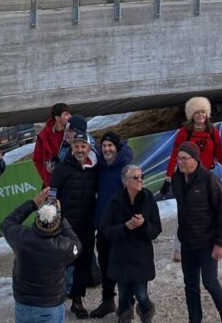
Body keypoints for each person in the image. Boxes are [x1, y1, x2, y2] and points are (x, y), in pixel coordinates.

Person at [171, 141, 222, 323]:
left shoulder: (209, 180)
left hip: (207, 242)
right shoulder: (176, 179)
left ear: (195, 159)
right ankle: (195, 319)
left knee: (209, 281)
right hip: (187, 242)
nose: (180, 162)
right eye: (178, 158)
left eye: (184, 158)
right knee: (190, 284)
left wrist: (221, 243)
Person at [1, 186, 82, 323]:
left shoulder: (21, 238)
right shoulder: (62, 247)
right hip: (50, 306)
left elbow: (7, 223)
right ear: (56, 224)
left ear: (37, 219)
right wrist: (60, 215)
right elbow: (76, 244)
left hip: (23, 303)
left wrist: (32, 204)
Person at [101, 163, 162, 323]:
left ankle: (147, 313)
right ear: (125, 181)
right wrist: (125, 227)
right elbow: (106, 230)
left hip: (141, 259)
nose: (140, 180)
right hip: (120, 258)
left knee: (142, 295)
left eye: (142, 176)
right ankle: (124, 318)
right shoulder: (115, 200)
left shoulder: (148, 199)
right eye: (135, 177)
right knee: (123, 296)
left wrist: (144, 225)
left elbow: (156, 229)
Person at [50, 129, 99, 318]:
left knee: (83, 263)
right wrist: (54, 218)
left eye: (83, 146)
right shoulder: (62, 168)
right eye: (76, 146)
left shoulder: (95, 168)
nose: (80, 150)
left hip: (87, 224)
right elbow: (52, 193)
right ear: (72, 147)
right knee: (61, 263)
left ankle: (77, 300)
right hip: (66, 225)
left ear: (89, 148)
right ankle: (55, 299)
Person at [92, 131, 134, 318]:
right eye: (104, 145)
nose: (107, 149)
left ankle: (127, 306)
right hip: (103, 225)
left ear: (117, 147)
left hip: (121, 227)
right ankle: (108, 301)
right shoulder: (100, 166)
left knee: (123, 267)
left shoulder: (126, 168)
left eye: (110, 145)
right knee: (105, 265)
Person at [161, 96, 222, 191]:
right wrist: (168, 178)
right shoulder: (184, 132)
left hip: (208, 175)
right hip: (190, 177)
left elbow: (220, 155)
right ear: (191, 115)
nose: (201, 115)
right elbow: (175, 155)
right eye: (197, 112)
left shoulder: (212, 131)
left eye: (203, 112)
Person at [34, 102, 71, 185]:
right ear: (57, 118)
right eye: (66, 114)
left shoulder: (72, 132)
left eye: (69, 114)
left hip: (70, 180)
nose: (70, 117)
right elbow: (37, 160)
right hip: (52, 182)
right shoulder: (43, 136)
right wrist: (46, 178)